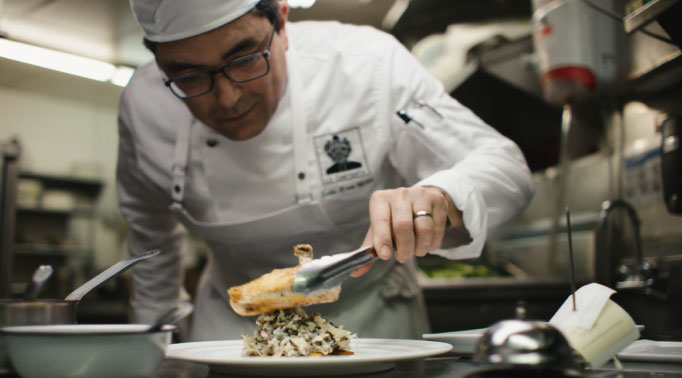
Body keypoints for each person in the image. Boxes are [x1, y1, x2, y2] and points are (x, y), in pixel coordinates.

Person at [118, 0, 534, 340]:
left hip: (370, 325)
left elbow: (505, 167)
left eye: (244, 59)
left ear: (282, 21)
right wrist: (155, 358)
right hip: (229, 333)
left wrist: (441, 194)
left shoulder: (366, 66)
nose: (226, 99)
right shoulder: (144, 107)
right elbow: (151, 249)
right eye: (188, 75)